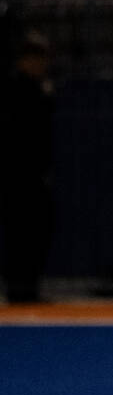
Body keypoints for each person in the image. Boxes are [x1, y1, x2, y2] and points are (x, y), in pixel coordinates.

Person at [1, 31, 55, 304]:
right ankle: (20, 290)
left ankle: (27, 288)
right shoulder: (17, 90)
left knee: (35, 233)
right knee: (20, 235)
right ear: (28, 59)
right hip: (18, 176)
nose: (44, 64)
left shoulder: (37, 88)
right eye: (40, 58)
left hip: (33, 175)